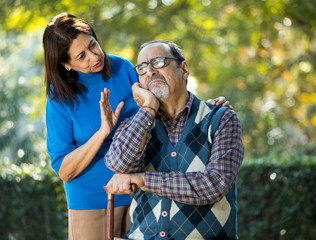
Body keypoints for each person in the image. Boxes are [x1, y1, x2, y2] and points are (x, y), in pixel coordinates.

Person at [43, 13, 232, 240]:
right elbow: (64, 170)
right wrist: (103, 131)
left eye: (93, 45)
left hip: (142, 192)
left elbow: (164, 95)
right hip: (91, 201)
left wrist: (204, 108)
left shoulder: (123, 68)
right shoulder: (59, 98)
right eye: (81, 56)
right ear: (66, 64)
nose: (94, 57)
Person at [104, 40, 244, 239]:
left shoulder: (221, 119)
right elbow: (119, 164)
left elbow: (214, 184)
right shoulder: (136, 125)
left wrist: (144, 180)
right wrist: (148, 107)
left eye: (158, 62)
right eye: (142, 69)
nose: (150, 72)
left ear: (184, 69)